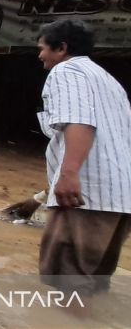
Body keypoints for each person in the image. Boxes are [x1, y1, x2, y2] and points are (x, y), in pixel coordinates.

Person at [36, 19, 131, 297]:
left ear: (61, 48)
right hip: (120, 196)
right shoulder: (108, 80)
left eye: (42, 48)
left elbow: (80, 121)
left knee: (68, 284)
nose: (40, 55)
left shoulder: (66, 71)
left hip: (86, 194)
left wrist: (69, 174)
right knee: (94, 283)